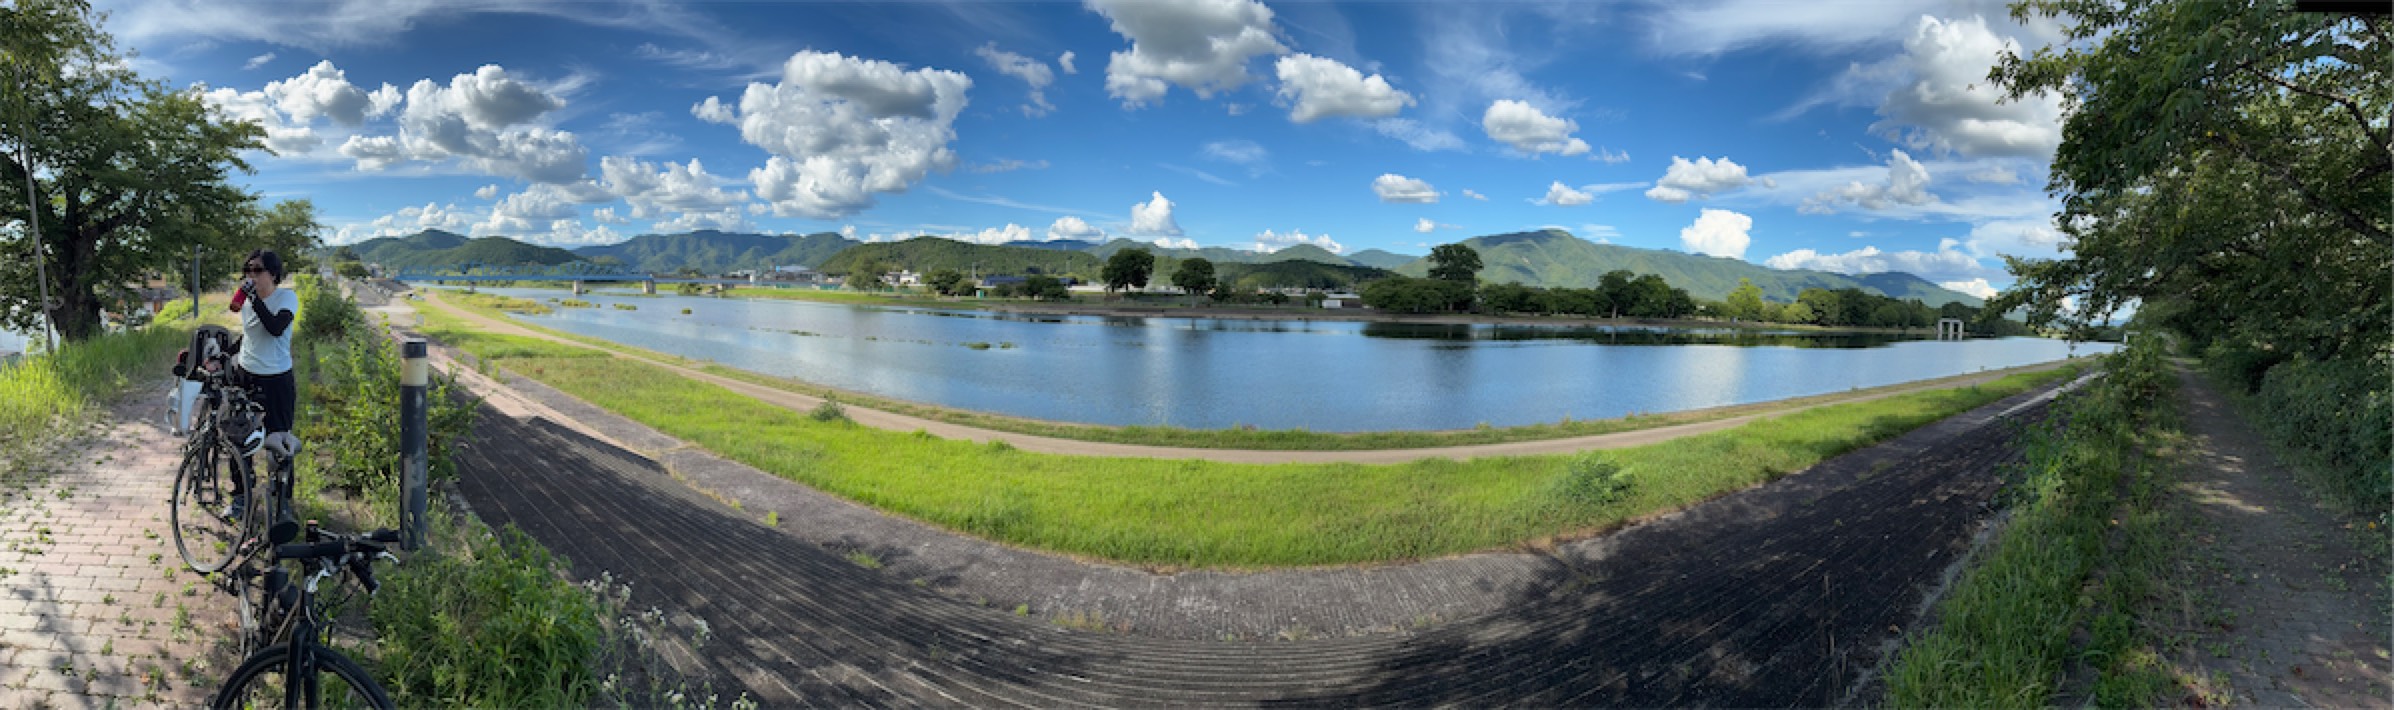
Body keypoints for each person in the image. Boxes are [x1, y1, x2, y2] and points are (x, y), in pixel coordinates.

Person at [228, 249, 300, 520]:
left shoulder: (286, 298)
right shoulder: (249, 303)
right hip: (246, 375)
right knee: (238, 439)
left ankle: (282, 504)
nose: (251, 275)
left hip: (277, 379)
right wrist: (225, 354)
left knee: (279, 443)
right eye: (248, 270)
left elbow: (275, 328)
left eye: (257, 270)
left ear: (273, 274)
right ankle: (241, 496)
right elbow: (250, 337)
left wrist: (254, 299)